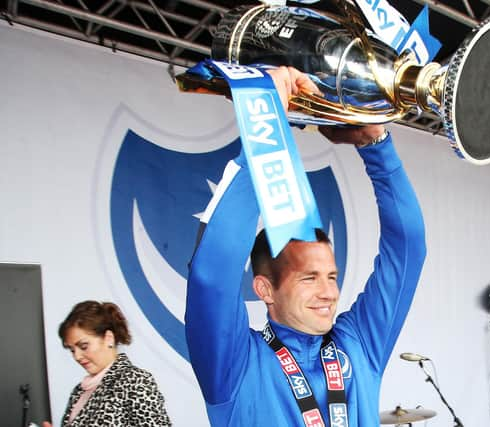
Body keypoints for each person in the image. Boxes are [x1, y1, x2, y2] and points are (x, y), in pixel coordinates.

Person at [186, 66, 427, 426]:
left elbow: (407, 247)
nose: (328, 292)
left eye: (331, 276)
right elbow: (212, 275)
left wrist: (376, 145)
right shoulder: (235, 365)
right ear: (265, 288)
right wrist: (267, 128)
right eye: (309, 278)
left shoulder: (358, 343)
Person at [43, 300, 172, 427]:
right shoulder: (78, 392)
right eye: (72, 350)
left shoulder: (135, 381)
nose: (77, 356)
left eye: (83, 346)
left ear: (108, 338)